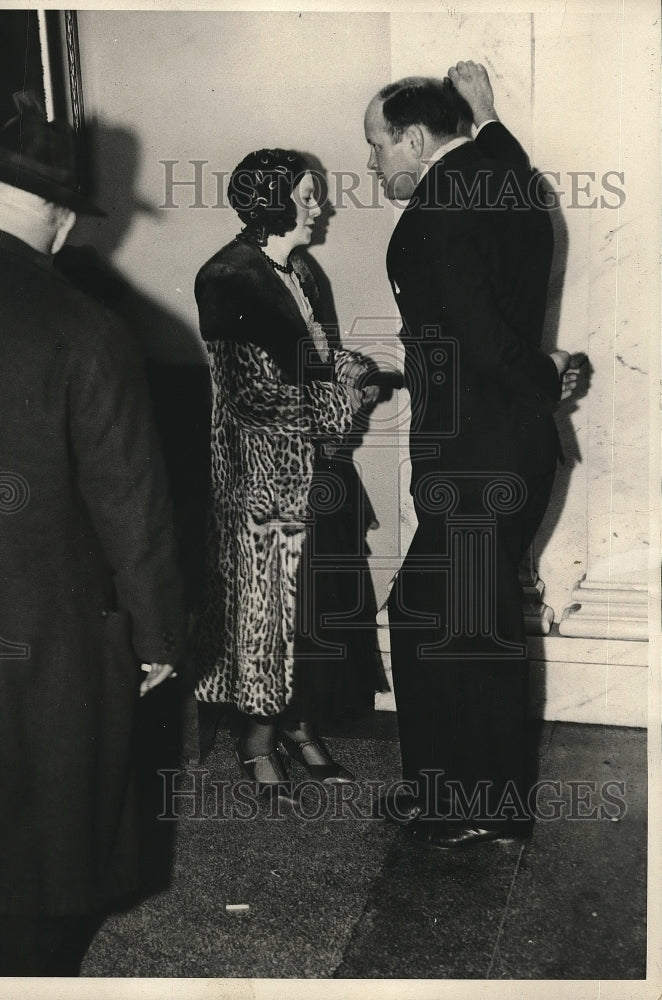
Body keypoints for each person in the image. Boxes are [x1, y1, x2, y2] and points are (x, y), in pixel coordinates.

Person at [0, 91, 186, 974]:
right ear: (61, 222)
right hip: (36, 642)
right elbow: (131, 504)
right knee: (35, 866)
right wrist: (157, 635)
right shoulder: (85, 328)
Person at [365, 63, 583, 848]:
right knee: (432, 611)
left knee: (462, 623)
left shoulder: (439, 209)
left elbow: (483, 338)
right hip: (500, 444)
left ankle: (482, 807)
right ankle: (447, 791)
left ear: (414, 138)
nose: (371, 164)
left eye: (375, 145)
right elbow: (514, 175)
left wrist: (544, 375)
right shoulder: (498, 182)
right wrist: (488, 117)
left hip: (479, 447)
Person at [193, 148, 381, 800]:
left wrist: (343, 379)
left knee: (316, 610)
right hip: (265, 479)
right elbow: (262, 398)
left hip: (315, 469)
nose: (319, 206)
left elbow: (315, 368)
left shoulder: (300, 268)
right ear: (272, 201)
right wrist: (351, 386)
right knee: (267, 612)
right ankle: (257, 739)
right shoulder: (229, 277)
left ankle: (301, 726)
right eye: (306, 195)